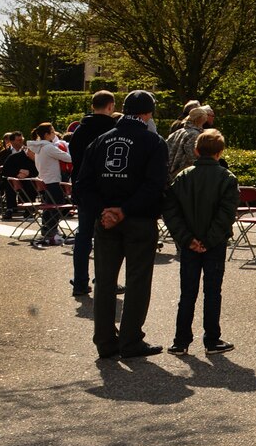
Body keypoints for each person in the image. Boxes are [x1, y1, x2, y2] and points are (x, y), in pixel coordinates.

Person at [78, 90, 170, 358]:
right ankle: (131, 339)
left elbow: (83, 184)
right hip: (139, 219)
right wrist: (125, 210)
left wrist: (104, 211)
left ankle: (105, 340)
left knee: (105, 281)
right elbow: (155, 186)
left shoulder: (100, 141)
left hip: (105, 220)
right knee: (138, 280)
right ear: (148, 113)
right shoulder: (153, 142)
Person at [163, 127, 239, 355]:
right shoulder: (227, 178)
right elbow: (227, 214)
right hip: (214, 244)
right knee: (212, 291)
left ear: (196, 151)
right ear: (220, 152)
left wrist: (187, 239)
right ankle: (212, 338)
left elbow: (171, 211)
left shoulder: (183, 177)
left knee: (187, 292)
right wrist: (209, 239)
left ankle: (181, 340)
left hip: (189, 243)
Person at [65, 91, 119, 299]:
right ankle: (106, 281)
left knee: (84, 236)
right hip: (108, 190)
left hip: (83, 188)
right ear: (110, 106)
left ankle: (80, 281)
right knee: (108, 238)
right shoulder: (113, 129)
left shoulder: (79, 130)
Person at [28, 122, 72, 247]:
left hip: (44, 180)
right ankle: (52, 231)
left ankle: (47, 229)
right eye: (52, 131)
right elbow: (68, 157)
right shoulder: (49, 147)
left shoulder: (39, 147)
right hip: (53, 180)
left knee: (49, 206)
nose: (54, 134)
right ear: (47, 134)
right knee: (56, 206)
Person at [167, 104, 213, 175]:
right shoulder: (194, 134)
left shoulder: (179, 131)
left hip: (169, 171)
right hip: (183, 173)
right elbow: (192, 158)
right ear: (200, 120)